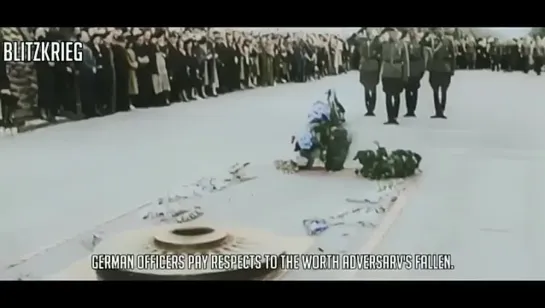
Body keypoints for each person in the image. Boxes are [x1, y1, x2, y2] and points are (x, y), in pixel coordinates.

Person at [380, 28, 409, 125]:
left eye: (394, 33)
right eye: (390, 33)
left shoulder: (402, 44)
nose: (392, 35)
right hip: (387, 72)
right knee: (388, 95)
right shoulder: (384, 44)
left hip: (397, 72)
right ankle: (390, 117)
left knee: (397, 95)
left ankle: (395, 115)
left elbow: (406, 61)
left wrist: (405, 75)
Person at [426, 28, 456, 119]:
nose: (439, 31)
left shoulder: (448, 41)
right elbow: (422, 45)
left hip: (445, 69)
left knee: (444, 91)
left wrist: (452, 69)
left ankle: (442, 109)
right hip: (434, 68)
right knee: (435, 91)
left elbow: (453, 55)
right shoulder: (431, 40)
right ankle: (437, 110)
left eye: (440, 29)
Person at [403, 29, 427, 117]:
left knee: (412, 90)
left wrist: (422, 70)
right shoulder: (407, 45)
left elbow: (422, 59)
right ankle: (410, 109)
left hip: (414, 70)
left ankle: (411, 109)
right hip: (411, 70)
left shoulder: (419, 46)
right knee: (409, 91)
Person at [357, 28, 381, 116]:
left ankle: (372, 107)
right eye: (368, 33)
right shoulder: (362, 43)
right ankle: (368, 108)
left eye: (370, 33)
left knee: (373, 87)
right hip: (365, 67)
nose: (369, 34)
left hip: (374, 67)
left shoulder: (377, 43)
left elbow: (380, 55)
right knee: (366, 88)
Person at [76, 30, 99, 118]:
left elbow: (92, 58)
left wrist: (94, 66)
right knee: (86, 92)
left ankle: (92, 109)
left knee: (92, 91)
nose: (87, 37)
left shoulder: (87, 46)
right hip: (84, 72)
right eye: (85, 36)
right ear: (81, 37)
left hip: (90, 71)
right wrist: (90, 68)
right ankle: (87, 111)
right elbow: (82, 61)